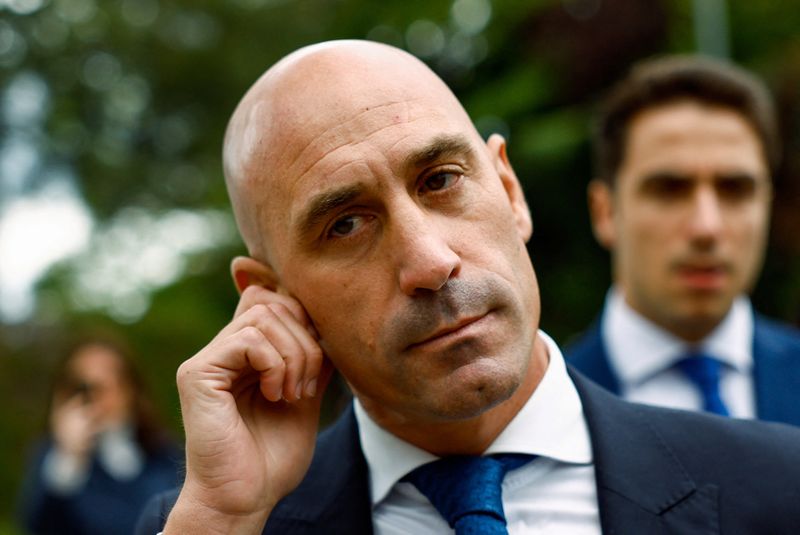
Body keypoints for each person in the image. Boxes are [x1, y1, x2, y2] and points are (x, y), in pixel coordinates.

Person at [137, 41, 800, 534]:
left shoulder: (777, 486)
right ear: (271, 294)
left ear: (509, 192)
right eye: (345, 224)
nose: (429, 263)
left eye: (441, 180)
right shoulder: (212, 521)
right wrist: (223, 518)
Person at [565, 55, 800, 425]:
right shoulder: (550, 407)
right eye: (669, 190)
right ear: (604, 212)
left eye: (735, 189)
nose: (707, 227)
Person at [18, 335, 182, 535]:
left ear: (131, 391)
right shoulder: (51, 458)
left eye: (104, 387)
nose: (95, 401)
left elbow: (158, 518)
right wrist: (67, 460)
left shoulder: (162, 451)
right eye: (81, 386)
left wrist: (118, 448)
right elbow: (38, 526)